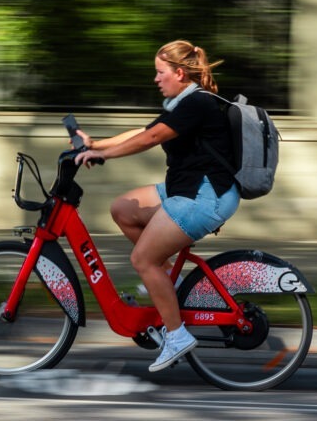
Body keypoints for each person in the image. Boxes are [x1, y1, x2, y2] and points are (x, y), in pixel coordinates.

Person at [74, 40, 241, 372]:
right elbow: (144, 131)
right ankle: (171, 284)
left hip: (205, 196)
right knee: (123, 209)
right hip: (186, 190)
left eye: (160, 72)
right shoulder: (183, 103)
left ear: (179, 73)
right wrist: (95, 144)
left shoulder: (197, 103)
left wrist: (103, 156)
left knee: (142, 259)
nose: (155, 79)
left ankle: (176, 336)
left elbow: (151, 139)